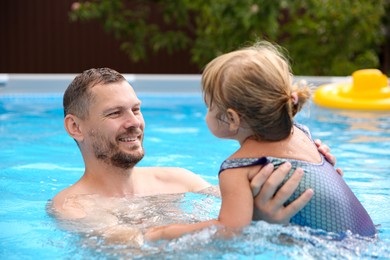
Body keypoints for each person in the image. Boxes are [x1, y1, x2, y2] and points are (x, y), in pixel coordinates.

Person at [51, 67, 340, 245]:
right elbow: (132, 251)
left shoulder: (179, 179)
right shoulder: (73, 206)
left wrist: (302, 170)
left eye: (136, 109)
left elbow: (246, 200)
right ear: (75, 127)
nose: (134, 122)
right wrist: (255, 225)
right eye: (115, 113)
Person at [145, 41, 376, 241]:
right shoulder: (303, 134)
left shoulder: (237, 169)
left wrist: (166, 232)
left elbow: (230, 231)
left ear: (232, 118)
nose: (206, 114)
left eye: (209, 106)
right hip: (369, 237)